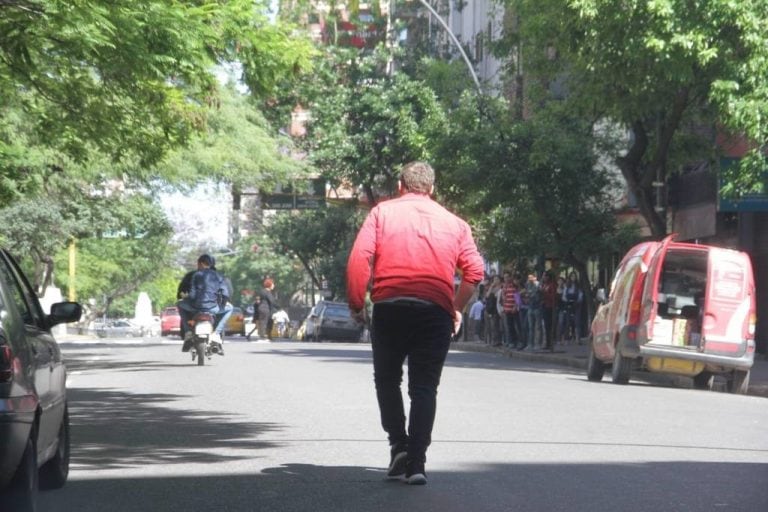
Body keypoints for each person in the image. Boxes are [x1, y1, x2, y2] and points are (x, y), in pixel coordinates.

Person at [347, 161, 484, 485]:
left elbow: (358, 259)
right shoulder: (455, 223)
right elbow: (475, 273)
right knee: (424, 387)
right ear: (432, 189)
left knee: (387, 380)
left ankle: (398, 445)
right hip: (434, 311)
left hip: (390, 307)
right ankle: (417, 463)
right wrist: (455, 307)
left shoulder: (381, 214)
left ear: (400, 186)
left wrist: (357, 303)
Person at [177, 254, 234, 355]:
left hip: (195, 308)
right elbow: (226, 292)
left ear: (201, 264)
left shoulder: (194, 275)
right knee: (230, 309)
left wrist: (188, 298)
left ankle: (188, 332)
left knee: (179, 305)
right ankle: (216, 333)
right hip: (213, 307)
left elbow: (191, 293)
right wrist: (223, 304)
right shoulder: (219, 276)